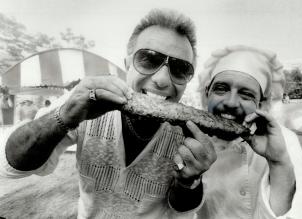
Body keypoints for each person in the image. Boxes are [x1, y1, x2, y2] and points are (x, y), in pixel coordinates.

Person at [0, 9, 217, 218]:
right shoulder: (87, 101)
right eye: (149, 59)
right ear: (127, 64)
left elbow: (182, 208)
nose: (161, 79)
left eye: (180, 69)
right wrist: (63, 117)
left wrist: (189, 180)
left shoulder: (190, 132)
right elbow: (12, 166)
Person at [196, 45, 302, 219]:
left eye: (246, 94)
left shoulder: (285, 140)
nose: (231, 102)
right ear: (207, 93)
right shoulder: (190, 140)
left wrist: (278, 163)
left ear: (261, 104)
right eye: (221, 88)